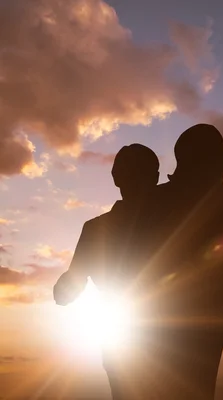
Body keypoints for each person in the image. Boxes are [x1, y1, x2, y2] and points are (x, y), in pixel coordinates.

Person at [138, 124, 223, 399]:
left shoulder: (157, 196)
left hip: (163, 306)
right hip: (206, 308)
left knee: (161, 385)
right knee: (199, 386)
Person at [53, 143, 160, 400]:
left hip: (123, 340)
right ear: (156, 178)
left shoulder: (95, 228)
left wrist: (64, 286)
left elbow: (67, 291)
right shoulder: (178, 221)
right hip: (157, 338)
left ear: (115, 177)